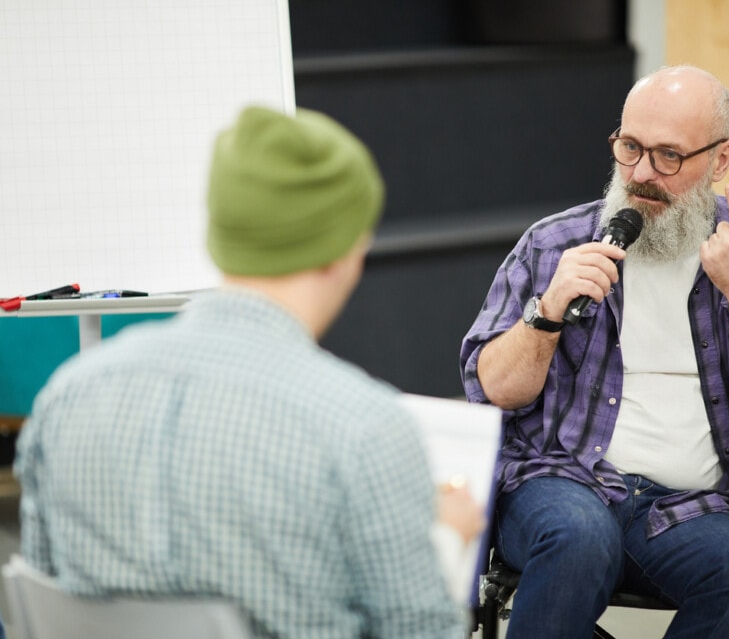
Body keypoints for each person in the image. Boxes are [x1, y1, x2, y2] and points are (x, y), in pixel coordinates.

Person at [14, 106, 470, 638]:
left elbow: (40, 599)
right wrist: (445, 541)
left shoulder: (68, 395)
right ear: (343, 249)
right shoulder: (363, 427)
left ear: (219, 234)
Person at [460, 64, 729, 638]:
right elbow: (488, 389)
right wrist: (545, 313)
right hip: (560, 481)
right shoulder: (555, 244)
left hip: (696, 508)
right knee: (576, 539)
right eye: (630, 147)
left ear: (719, 160)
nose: (641, 173)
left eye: (668, 155)